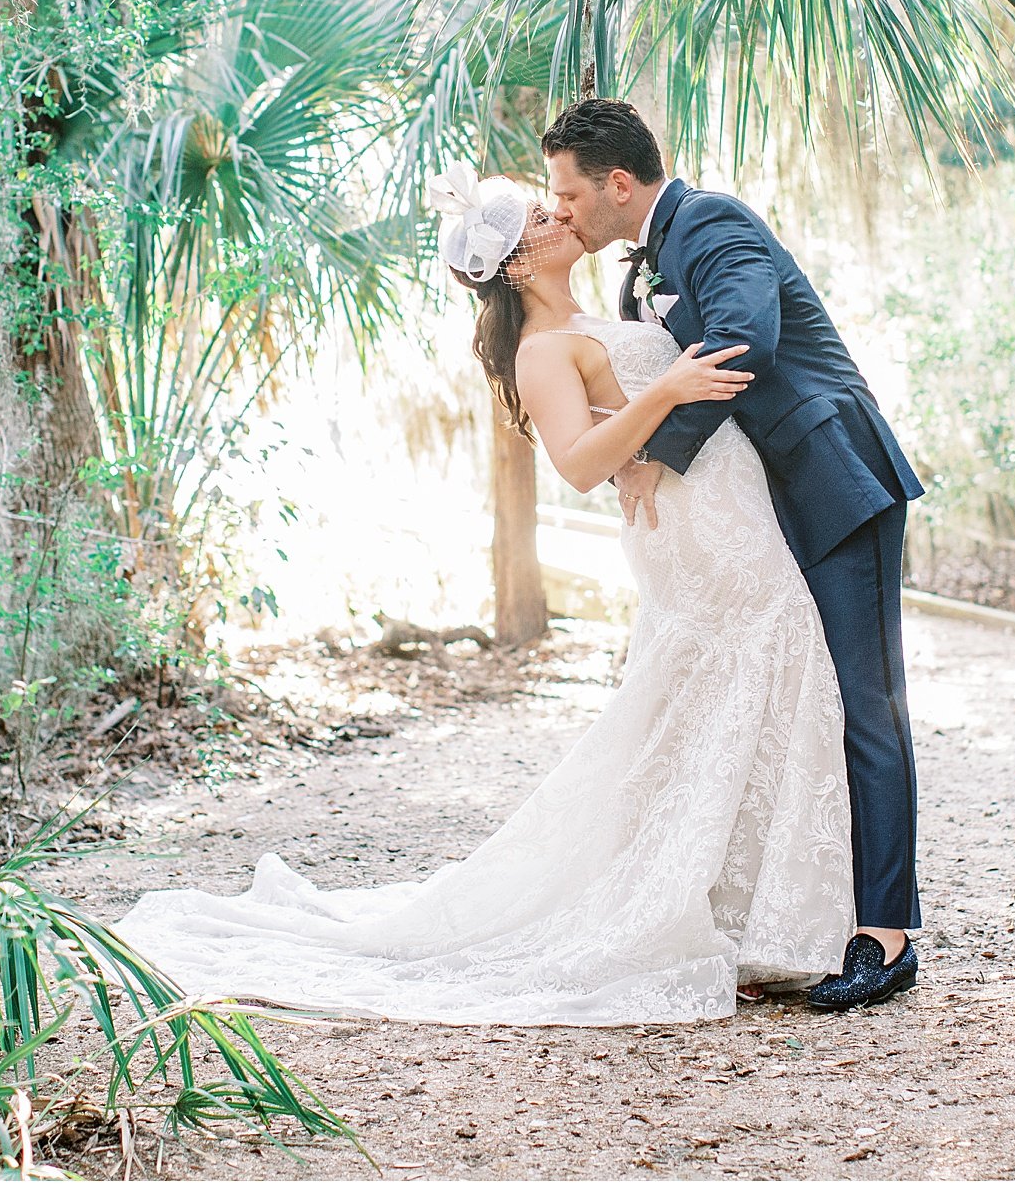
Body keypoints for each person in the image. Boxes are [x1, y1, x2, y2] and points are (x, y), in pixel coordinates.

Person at [112, 163, 855, 1024]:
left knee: (747, 692)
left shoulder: (605, 312)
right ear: (515, 260)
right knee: (735, 679)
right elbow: (578, 465)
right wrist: (667, 391)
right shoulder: (542, 351)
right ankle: (725, 914)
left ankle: (752, 912)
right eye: (544, 214)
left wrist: (664, 411)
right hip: (695, 540)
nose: (562, 214)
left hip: (723, 505)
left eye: (556, 203)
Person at [542, 97, 927, 1012]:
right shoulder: (639, 278)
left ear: (619, 184)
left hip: (833, 478)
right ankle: (795, 911)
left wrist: (659, 457)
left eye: (567, 192)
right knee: (805, 701)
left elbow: (748, 337)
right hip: (758, 508)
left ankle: (889, 934)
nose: (560, 210)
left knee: (866, 702)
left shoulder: (712, 220)